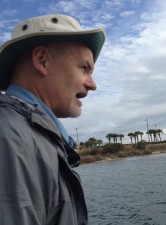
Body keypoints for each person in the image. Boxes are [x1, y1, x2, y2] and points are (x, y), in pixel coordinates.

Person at [0, 14, 105, 224]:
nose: (93, 85)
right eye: (84, 68)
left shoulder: (29, 137)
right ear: (42, 61)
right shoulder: (10, 140)